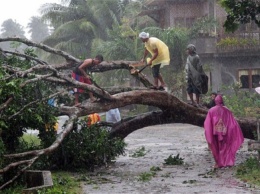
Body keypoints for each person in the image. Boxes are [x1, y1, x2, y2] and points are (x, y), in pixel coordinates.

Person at [204, 95, 244, 169]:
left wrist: (208, 134)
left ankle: (217, 163)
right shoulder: (227, 110)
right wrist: (234, 132)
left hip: (215, 132)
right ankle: (228, 162)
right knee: (226, 147)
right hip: (225, 132)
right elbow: (232, 122)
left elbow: (207, 124)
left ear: (215, 101)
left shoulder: (211, 110)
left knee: (216, 148)